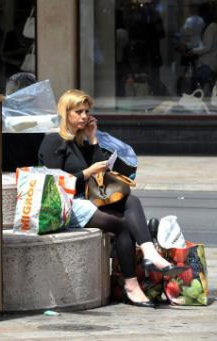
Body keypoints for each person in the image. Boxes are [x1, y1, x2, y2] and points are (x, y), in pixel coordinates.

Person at [37, 89, 186, 307]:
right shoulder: (53, 141)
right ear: (65, 112)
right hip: (66, 205)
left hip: (87, 199)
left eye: (87, 111)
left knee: (131, 200)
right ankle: (132, 284)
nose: (84, 116)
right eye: (78, 111)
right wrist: (87, 173)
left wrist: (93, 138)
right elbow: (53, 186)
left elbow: (102, 176)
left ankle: (149, 254)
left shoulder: (82, 141)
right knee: (122, 225)